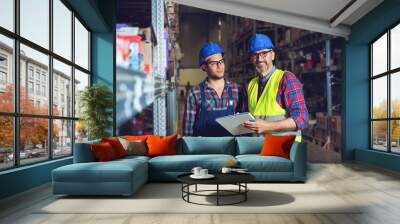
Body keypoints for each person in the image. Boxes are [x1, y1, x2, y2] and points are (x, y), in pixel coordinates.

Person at [242, 34, 308, 142]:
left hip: (284, 150)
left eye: (264, 53)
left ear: (272, 55)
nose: (259, 59)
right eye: (255, 55)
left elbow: (301, 119)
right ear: (251, 59)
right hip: (259, 149)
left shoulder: (286, 79)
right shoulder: (251, 84)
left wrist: (267, 126)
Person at [183, 42, 244, 136]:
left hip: (231, 149)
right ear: (204, 67)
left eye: (221, 61)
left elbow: (244, 128)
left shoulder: (237, 90)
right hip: (203, 149)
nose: (219, 66)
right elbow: (187, 132)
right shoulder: (194, 94)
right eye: (213, 63)